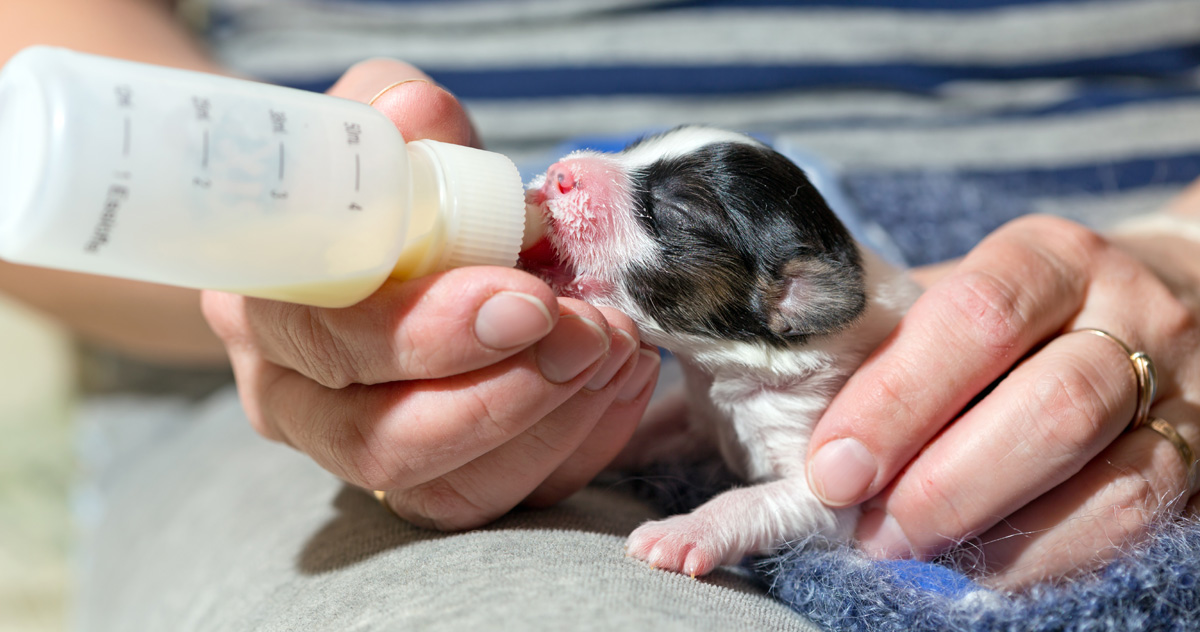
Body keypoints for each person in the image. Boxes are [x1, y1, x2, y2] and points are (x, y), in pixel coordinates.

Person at [3, 0, 1199, 628]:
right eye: (629, 162)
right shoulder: (726, 328)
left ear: (792, 302)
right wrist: (256, 233)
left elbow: (816, 481)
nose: (575, 175)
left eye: (660, 204)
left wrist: (1183, 246)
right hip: (256, 396)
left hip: (1110, 271)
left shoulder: (812, 336)